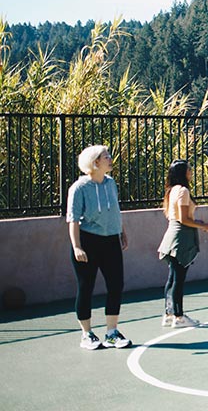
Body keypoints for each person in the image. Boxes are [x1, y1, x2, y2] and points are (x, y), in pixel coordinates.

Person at [66, 145, 131, 350]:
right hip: (88, 241)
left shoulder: (111, 183)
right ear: (95, 162)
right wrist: (77, 247)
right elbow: (73, 220)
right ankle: (87, 334)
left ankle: (112, 333)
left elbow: (115, 211)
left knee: (116, 284)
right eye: (106, 156)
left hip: (111, 240)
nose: (110, 159)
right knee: (86, 287)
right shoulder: (79, 188)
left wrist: (122, 232)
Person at [157, 160, 208, 328]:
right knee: (178, 278)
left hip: (174, 235)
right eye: (189, 169)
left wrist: (196, 221)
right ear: (183, 173)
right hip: (180, 238)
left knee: (173, 277)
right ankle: (179, 316)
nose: (191, 172)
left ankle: (169, 313)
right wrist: (203, 225)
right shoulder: (183, 191)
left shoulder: (172, 190)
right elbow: (183, 219)